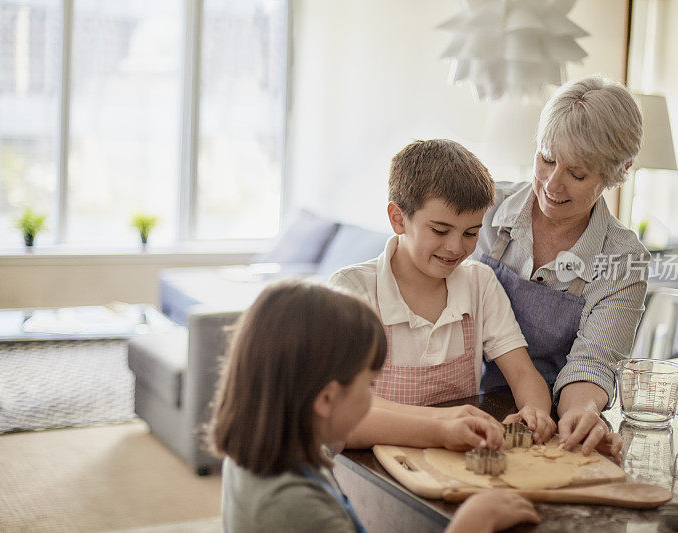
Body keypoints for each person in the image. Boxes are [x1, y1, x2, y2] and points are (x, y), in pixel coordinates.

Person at [206, 281, 541, 532]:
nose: (373, 398)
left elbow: (361, 428)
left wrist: (441, 427)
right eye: (368, 386)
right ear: (326, 400)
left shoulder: (273, 442)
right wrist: (470, 523)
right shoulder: (293, 507)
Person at [330, 139, 556, 447]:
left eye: (471, 233)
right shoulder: (352, 291)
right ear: (398, 218)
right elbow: (341, 417)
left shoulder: (481, 283)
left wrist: (535, 411)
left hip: (455, 461)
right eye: (439, 230)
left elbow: (523, 375)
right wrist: (441, 427)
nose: (455, 247)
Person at [474, 75, 649, 456]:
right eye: (547, 159)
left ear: (618, 170)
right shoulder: (483, 206)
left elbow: (594, 361)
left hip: (542, 425)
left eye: (577, 173)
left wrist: (582, 413)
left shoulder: (623, 261)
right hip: (453, 402)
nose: (553, 184)